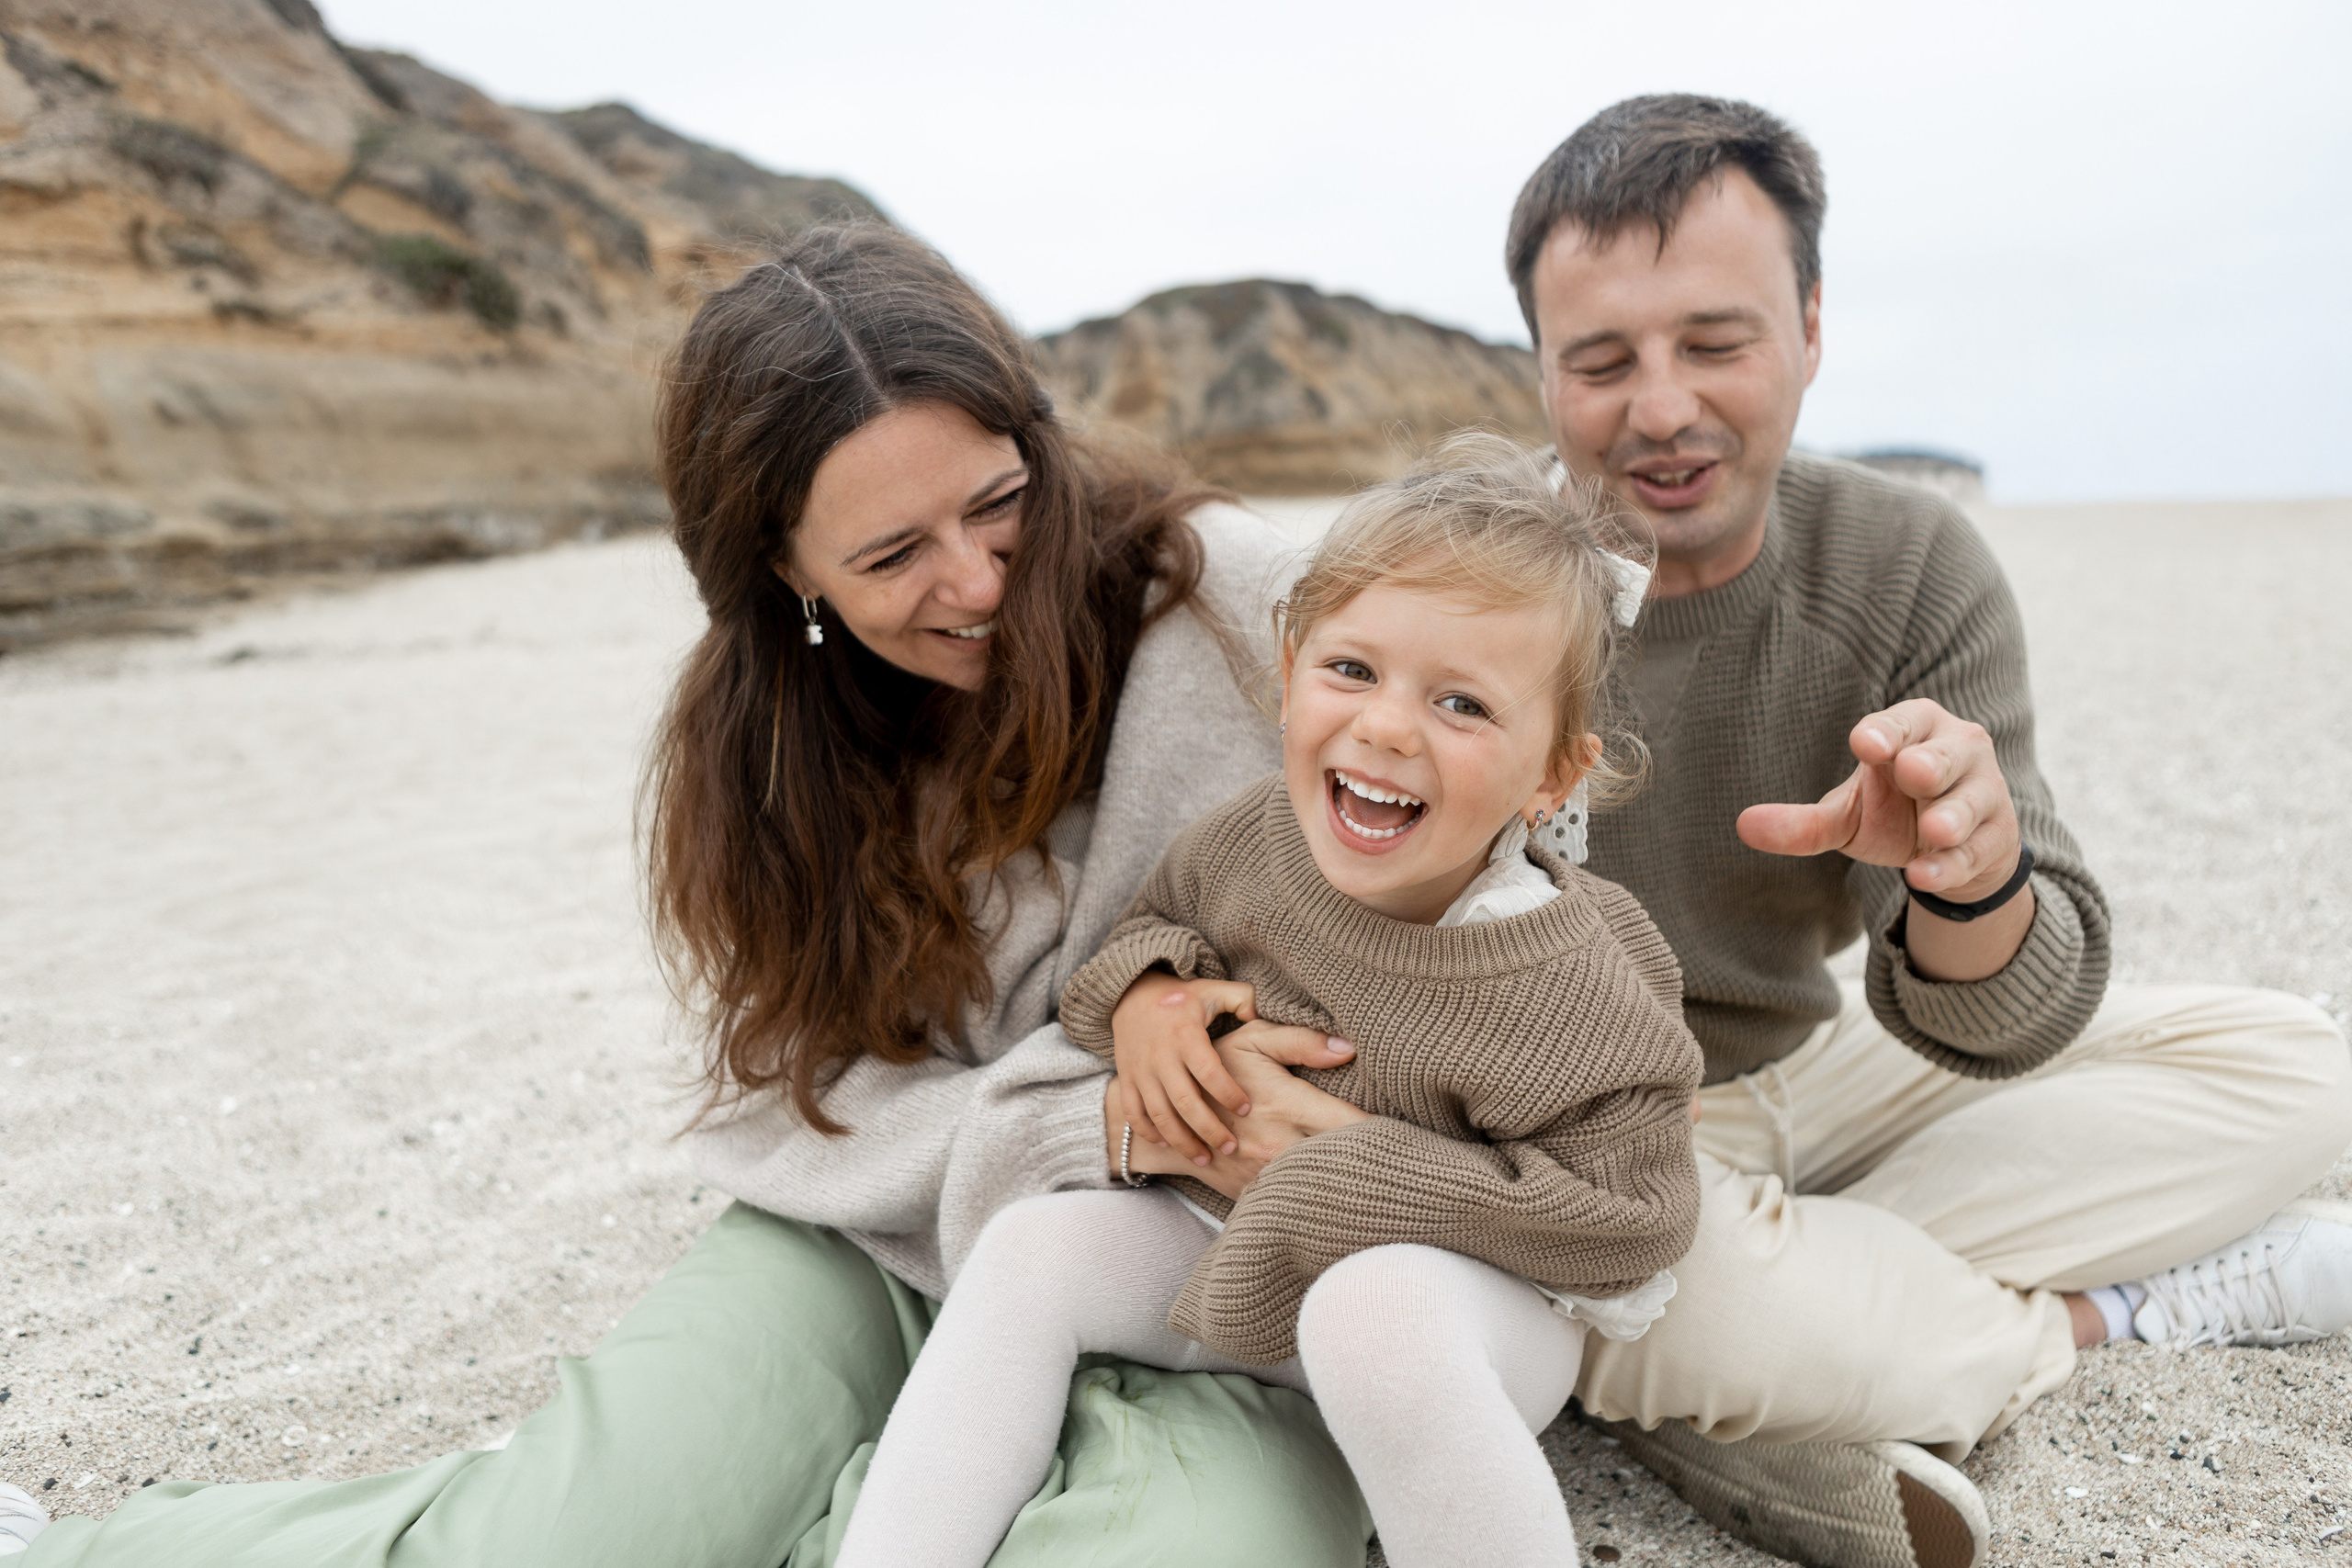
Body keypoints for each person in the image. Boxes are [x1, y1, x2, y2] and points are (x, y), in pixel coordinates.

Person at [2, 226, 1386, 1565]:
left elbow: (1484, 887)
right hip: (887, 1242)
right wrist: (1101, 1123)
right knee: (559, 1545)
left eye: (996, 502)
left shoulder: (1251, 610)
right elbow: (798, 1104)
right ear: (788, 569)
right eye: (890, 555)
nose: (974, 581)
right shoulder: (764, 749)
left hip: (1223, 1271)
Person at [1483, 93, 2352, 1568]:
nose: (1662, 409)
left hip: (1816, 1063)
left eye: (1716, 342)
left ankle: (1795, 1305)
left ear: (1812, 327)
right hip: (1580, 1129)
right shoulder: (1468, 574)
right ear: (1543, 369)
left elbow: (2006, 1022)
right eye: (1603, 361)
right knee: (1590, 1261)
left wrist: (1969, 874)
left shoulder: (1904, 562)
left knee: (2298, 1064)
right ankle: (2090, 1315)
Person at [837, 437, 1699, 1568]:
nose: (1386, 726)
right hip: (1237, 1241)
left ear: (1551, 776)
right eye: (1352, 670)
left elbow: (1636, 1219)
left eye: (1461, 703)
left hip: (1469, 1317)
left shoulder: (1565, 972)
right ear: (1289, 671)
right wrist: (1145, 1001)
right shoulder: (1252, 839)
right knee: (1030, 1252)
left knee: (1370, 1315)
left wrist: (1360, 1167)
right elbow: (1142, 935)